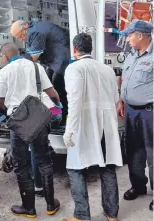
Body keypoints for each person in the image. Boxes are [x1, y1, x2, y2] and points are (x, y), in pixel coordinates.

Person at [0, 42, 61, 218]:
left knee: (21, 164)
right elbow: (52, 94)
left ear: (5, 56)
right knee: (44, 161)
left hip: (18, 121)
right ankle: (51, 205)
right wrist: (58, 107)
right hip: (37, 119)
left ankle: (29, 207)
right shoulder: (36, 67)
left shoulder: (4, 72)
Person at [61, 33, 123, 221]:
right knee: (107, 167)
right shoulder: (107, 69)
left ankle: (81, 216)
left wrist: (69, 130)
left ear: (74, 49)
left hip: (83, 125)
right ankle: (112, 214)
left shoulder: (74, 69)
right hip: (106, 126)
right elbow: (114, 99)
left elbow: (74, 102)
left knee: (76, 169)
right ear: (91, 48)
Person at [116, 20, 153, 211]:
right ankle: (138, 186)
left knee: (152, 154)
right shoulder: (131, 55)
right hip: (130, 110)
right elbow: (124, 77)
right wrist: (121, 100)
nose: (127, 38)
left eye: (130, 35)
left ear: (140, 35)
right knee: (134, 151)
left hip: (150, 112)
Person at [11, 20, 70, 126]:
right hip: (55, 59)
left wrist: (16, 68)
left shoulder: (34, 32)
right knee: (48, 84)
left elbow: (33, 57)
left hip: (62, 57)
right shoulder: (34, 28)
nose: (21, 39)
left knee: (57, 86)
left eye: (20, 36)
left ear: (24, 29)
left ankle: (63, 119)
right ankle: (57, 115)